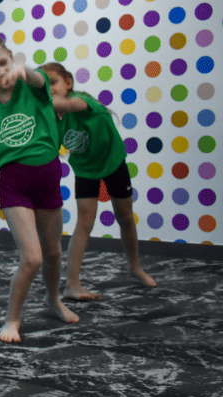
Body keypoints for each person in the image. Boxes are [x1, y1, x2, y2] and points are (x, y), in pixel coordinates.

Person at [0, 34, 79, 343]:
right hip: (15, 185)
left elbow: (40, 79)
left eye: (4, 63)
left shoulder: (32, 89)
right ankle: (11, 319)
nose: (0, 73)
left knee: (54, 251)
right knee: (32, 258)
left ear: (12, 59)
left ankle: (53, 301)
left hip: (48, 178)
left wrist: (20, 69)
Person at [44, 62, 156, 299]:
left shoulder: (82, 100)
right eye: (44, 85)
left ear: (68, 83)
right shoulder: (51, 118)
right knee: (84, 221)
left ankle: (134, 267)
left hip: (113, 161)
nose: (49, 88)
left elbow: (69, 104)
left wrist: (34, 98)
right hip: (85, 168)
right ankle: (72, 283)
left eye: (53, 82)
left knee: (124, 216)